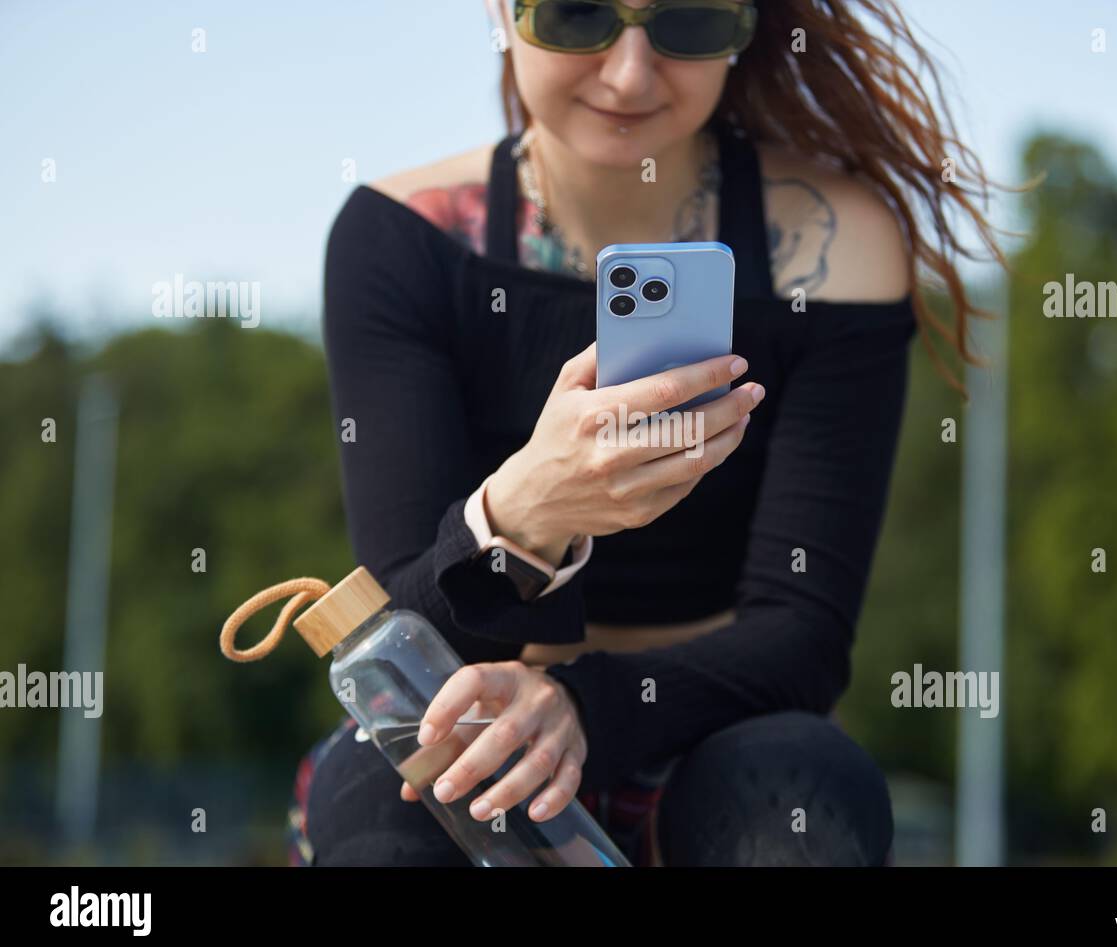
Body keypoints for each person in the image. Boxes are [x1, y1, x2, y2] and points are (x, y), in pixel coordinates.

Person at [291, 0, 1004, 866]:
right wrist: (524, 512)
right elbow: (398, 638)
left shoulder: (838, 244)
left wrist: (581, 704)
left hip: (719, 722)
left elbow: (803, 634)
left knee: (800, 804)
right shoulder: (402, 237)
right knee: (385, 833)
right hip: (466, 711)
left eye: (690, 21)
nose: (630, 73)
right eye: (577, 14)